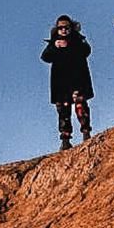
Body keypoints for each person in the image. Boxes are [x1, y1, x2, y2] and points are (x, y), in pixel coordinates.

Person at [40, 15, 93, 149]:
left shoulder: (78, 40)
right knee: (63, 111)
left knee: (80, 106)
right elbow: (45, 57)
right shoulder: (54, 43)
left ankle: (86, 132)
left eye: (66, 27)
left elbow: (86, 51)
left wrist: (70, 45)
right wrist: (54, 46)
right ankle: (65, 139)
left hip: (77, 80)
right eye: (60, 28)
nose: (63, 30)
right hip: (61, 83)